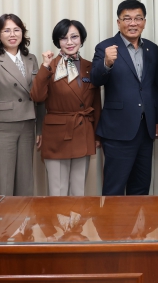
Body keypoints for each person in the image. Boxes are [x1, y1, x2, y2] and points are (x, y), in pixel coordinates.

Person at [91, 0, 158, 196]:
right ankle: (111, 219)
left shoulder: (152, 48)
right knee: (114, 188)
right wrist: (106, 63)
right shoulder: (105, 47)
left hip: (146, 129)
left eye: (138, 18)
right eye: (127, 18)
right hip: (118, 130)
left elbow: (156, 86)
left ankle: (137, 219)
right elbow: (95, 80)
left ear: (144, 22)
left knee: (141, 187)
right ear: (118, 22)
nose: (133, 23)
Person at [31, 19, 101, 196]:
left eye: (74, 37)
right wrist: (45, 66)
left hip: (83, 132)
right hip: (57, 135)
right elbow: (37, 96)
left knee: (79, 192)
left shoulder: (90, 67)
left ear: (82, 39)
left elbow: (96, 103)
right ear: (57, 41)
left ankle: (77, 218)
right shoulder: (50, 66)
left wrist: (96, 134)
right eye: (64, 38)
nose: (69, 42)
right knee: (58, 192)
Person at [0, 13, 41, 196]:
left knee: (24, 179)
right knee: (1, 179)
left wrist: (40, 128)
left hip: (27, 123)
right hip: (1, 125)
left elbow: (38, 95)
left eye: (16, 30)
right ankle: (0, 215)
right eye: (6, 30)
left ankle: (24, 214)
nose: (12, 34)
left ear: (22, 33)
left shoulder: (31, 58)